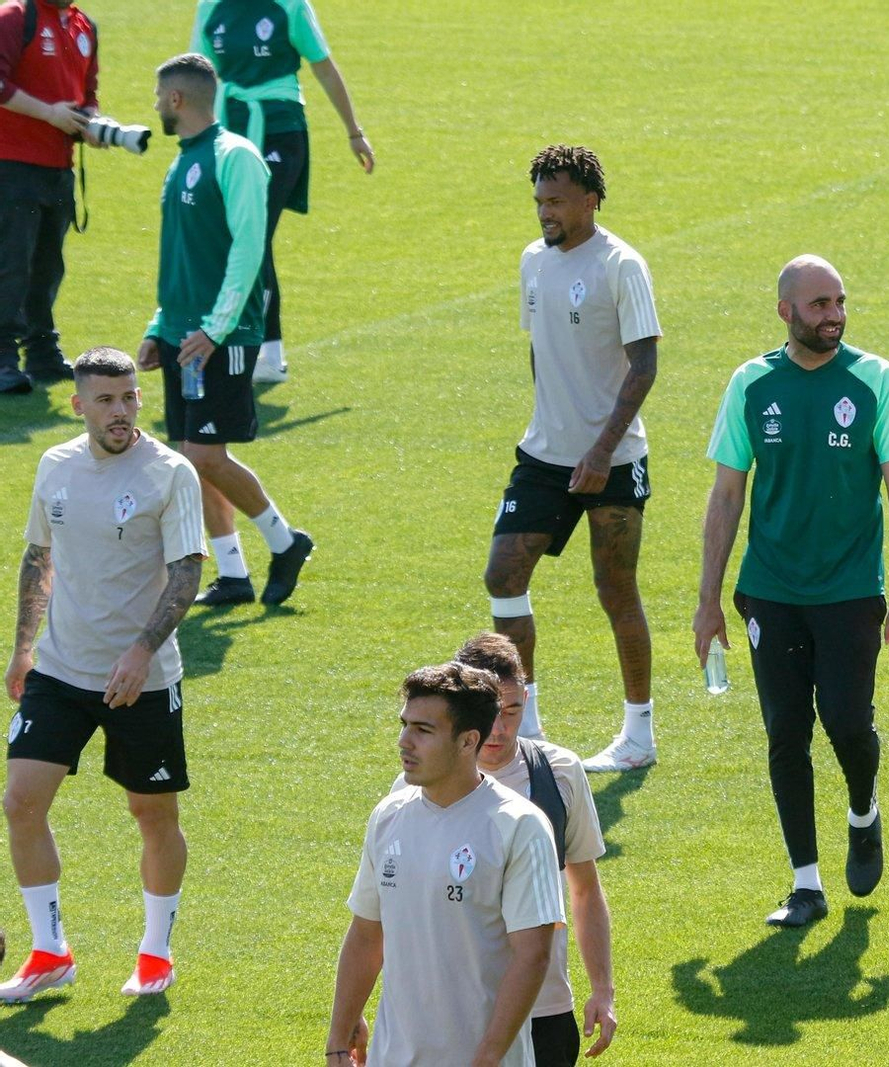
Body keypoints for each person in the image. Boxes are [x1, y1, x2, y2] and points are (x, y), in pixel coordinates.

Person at [693, 254, 889, 927]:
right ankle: (805, 883)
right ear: (785, 311)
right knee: (785, 729)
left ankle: (863, 809)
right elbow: (727, 492)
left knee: (848, 721)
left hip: (851, 587)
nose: (835, 315)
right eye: (820, 304)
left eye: (840, 301)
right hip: (771, 589)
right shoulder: (752, 383)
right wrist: (709, 599)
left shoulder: (875, 379)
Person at [0, 347, 205, 1001]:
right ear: (79, 404)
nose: (121, 411)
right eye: (107, 400)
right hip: (60, 669)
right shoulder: (55, 465)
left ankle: (154, 952)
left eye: (129, 397)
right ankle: (48, 950)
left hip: (139, 679)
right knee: (20, 802)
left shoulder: (169, 474)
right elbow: (40, 555)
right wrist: (23, 647)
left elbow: (187, 571)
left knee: (151, 812)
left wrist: (143, 650)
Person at [485, 144, 661, 771]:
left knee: (616, 587)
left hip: (612, 459)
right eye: (538, 202)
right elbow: (541, 349)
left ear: (590, 201)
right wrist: (554, 427)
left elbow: (645, 365)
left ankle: (638, 734)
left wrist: (600, 448)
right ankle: (525, 727)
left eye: (556, 201)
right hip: (544, 456)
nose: (544, 214)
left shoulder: (621, 266)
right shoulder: (533, 261)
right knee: (503, 574)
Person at [134, 52, 314, 610]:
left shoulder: (235, 157)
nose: (155, 105)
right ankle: (233, 575)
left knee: (206, 455)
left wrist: (215, 328)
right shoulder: (183, 160)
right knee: (192, 457)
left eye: (159, 96)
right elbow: (180, 257)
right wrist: (160, 324)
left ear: (177, 100)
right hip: (183, 332)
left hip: (222, 336)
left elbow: (249, 247)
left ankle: (286, 542)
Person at [329, 661, 565, 1067]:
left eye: (423, 731)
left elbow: (532, 957)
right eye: (405, 725)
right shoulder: (389, 816)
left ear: (467, 740)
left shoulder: (519, 826)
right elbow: (367, 934)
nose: (405, 741)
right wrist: (339, 1034)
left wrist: (488, 1058)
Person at [446, 632, 616, 1065]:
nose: (500, 729)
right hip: (452, 1011)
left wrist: (602, 989)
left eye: (514, 711)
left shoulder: (559, 772)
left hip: (544, 1008)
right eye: (489, 714)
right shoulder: (422, 784)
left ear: (526, 697)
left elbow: (584, 889)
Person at [190, 0, 374, 384]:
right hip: (228, 134)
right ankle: (264, 352)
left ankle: (260, 351)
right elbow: (196, 74)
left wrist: (354, 132)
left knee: (252, 236)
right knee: (243, 238)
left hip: (280, 130)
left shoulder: (289, 6)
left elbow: (322, 64)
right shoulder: (210, 7)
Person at [0, 0, 103, 395]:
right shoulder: (14, 17)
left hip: (58, 168)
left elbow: (88, 92)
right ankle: (3, 357)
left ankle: (42, 352)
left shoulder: (84, 26)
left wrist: (90, 124)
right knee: (10, 266)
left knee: (47, 266)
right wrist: (49, 114)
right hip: (10, 167)